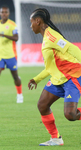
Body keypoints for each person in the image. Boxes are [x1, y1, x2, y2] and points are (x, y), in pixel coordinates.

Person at [28, 8, 81, 146]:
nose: (30, 25)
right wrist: (37, 79)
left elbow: (72, 48)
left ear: (38, 21)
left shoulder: (51, 36)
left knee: (71, 115)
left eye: (31, 22)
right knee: (42, 105)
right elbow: (51, 67)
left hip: (71, 77)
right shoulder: (46, 37)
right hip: (58, 79)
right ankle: (56, 139)